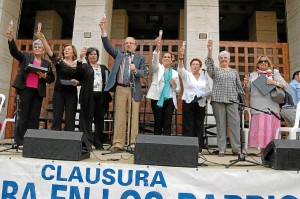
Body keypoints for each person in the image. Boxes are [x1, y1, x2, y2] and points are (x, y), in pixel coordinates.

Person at [99, 17, 148, 153]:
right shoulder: (119, 55)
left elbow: (144, 72)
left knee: (133, 117)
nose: (128, 45)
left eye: (131, 43)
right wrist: (103, 30)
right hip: (120, 88)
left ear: (135, 46)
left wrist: (135, 70)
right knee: (119, 116)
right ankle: (118, 144)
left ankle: (133, 144)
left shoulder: (140, 58)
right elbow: (108, 47)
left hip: (134, 89)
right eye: (126, 43)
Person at [6, 23, 55, 146]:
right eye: (35, 47)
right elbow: (14, 52)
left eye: (39, 47)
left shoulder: (46, 63)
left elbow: (51, 78)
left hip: (38, 92)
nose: (37, 48)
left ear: (44, 50)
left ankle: (31, 141)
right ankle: (20, 141)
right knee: (22, 116)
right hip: (25, 89)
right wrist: (11, 38)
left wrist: (45, 76)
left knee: (34, 117)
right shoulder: (26, 57)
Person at [205, 39, 244, 157]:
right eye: (221, 58)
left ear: (229, 60)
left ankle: (236, 148)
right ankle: (221, 148)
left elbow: (239, 87)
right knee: (221, 125)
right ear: (219, 60)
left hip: (233, 100)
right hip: (218, 100)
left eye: (225, 58)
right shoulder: (215, 71)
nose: (223, 60)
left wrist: (242, 100)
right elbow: (208, 64)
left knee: (235, 125)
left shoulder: (234, 71)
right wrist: (210, 50)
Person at [244, 55, 287, 156]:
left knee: (270, 128)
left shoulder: (274, 72)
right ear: (257, 64)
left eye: (266, 61)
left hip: (271, 106)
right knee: (260, 129)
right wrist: (245, 85)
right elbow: (248, 90)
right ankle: (263, 150)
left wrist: (273, 82)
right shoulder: (252, 75)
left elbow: (285, 85)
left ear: (269, 63)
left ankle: (271, 150)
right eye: (261, 61)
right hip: (257, 106)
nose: (263, 63)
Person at [36, 32, 80, 131]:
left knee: (70, 118)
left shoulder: (78, 65)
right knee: (57, 116)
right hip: (59, 92)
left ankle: (69, 139)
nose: (66, 51)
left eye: (68, 49)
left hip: (72, 94)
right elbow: (49, 52)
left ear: (73, 52)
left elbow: (80, 80)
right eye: (65, 50)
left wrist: (77, 82)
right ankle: (55, 138)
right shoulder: (59, 62)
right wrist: (43, 39)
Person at [76, 47, 112, 150]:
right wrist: (80, 58)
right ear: (87, 56)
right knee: (86, 120)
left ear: (98, 56)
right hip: (88, 97)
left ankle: (98, 143)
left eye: (95, 54)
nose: (93, 55)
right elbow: (78, 75)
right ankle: (86, 143)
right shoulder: (84, 66)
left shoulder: (103, 67)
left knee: (99, 121)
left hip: (101, 97)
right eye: (91, 54)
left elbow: (110, 79)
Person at [177, 45, 210, 153]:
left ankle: (198, 148)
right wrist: (181, 57)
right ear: (190, 66)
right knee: (188, 124)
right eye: (193, 64)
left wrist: (207, 97)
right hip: (189, 101)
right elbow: (180, 69)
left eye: (197, 64)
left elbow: (207, 89)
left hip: (200, 103)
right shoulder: (187, 75)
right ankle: (188, 147)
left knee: (199, 125)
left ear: (200, 67)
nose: (195, 66)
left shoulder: (204, 78)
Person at [146, 36, 180, 136]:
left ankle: (167, 145)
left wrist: (174, 85)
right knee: (158, 121)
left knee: (167, 122)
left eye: (168, 57)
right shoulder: (157, 68)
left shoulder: (175, 73)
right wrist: (157, 47)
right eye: (164, 57)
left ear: (172, 60)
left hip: (169, 99)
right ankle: (157, 145)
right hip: (157, 97)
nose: (166, 58)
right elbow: (155, 59)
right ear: (162, 59)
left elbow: (178, 90)